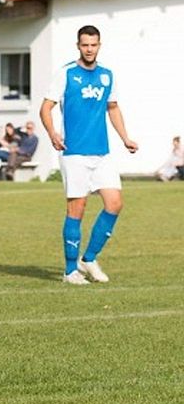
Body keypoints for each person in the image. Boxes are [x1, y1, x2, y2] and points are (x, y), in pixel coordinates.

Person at [40, 24, 137, 285]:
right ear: (78, 46)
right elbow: (45, 108)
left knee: (115, 204)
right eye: (85, 45)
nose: (89, 49)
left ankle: (89, 258)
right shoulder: (66, 74)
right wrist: (53, 134)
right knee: (77, 209)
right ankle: (70, 270)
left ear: (99, 45)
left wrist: (125, 138)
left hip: (101, 152)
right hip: (74, 153)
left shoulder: (107, 75)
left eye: (93, 45)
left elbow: (113, 108)